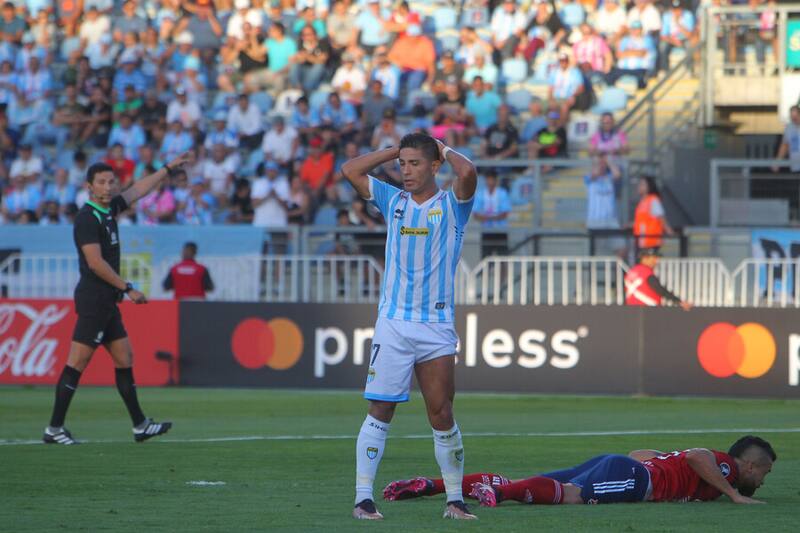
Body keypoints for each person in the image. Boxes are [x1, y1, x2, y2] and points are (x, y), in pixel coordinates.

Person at [341, 133, 478, 520]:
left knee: (441, 412)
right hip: (394, 323)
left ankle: (454, 500)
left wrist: (442, 146)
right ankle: (363, 498)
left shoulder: (452, 204)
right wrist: (394, 151)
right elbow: (349, 169)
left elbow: (467, 170)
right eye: (402, 164)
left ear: (435, 166)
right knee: (380, 408)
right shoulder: (392, 200)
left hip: (435, 325)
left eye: (415, 163)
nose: (406, 171)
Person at [42, 151, 191, 446]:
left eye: (112, 181)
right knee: (77, 363)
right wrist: (128, 288)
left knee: (125, 357)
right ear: (89, 186)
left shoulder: (109, 210)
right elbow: (95, 263)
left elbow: (138, 189)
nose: (109, 187)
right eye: (102, 182)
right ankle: (54, 429)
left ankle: (140, 425)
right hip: (95, 299)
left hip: (107, 301)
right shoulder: (87, 218)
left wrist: (167, 168)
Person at [384, 435, 775, 506]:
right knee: (570, 496)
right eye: (763, 474)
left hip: (623, 465)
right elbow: (696, 456)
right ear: (751, 465)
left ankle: (433, 485)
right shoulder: (724, 465)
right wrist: (735, 494)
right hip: (636, 479)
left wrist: (662, 458)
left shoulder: (710, 469)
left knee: (537, 482)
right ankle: (498, 496)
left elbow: (640, 452)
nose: (761, 481)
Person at [624, 247, 691, 310]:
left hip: (631, 309)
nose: (656, 261)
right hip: (649, 309)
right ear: (644, 258)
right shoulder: (646, 272)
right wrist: (679, 301)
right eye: (654, 258)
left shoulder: (631, 272)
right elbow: (659, 289)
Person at [633, 175, 672, 251]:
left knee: (648, 263)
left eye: (642, 184)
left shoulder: (653, 200)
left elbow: (661, 218)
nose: (639, 186)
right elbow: (642, 221)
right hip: (642, 242)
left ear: (648, 187)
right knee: (643, 263)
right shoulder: (642, 202)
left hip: (652, 243)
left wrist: (670, 233)